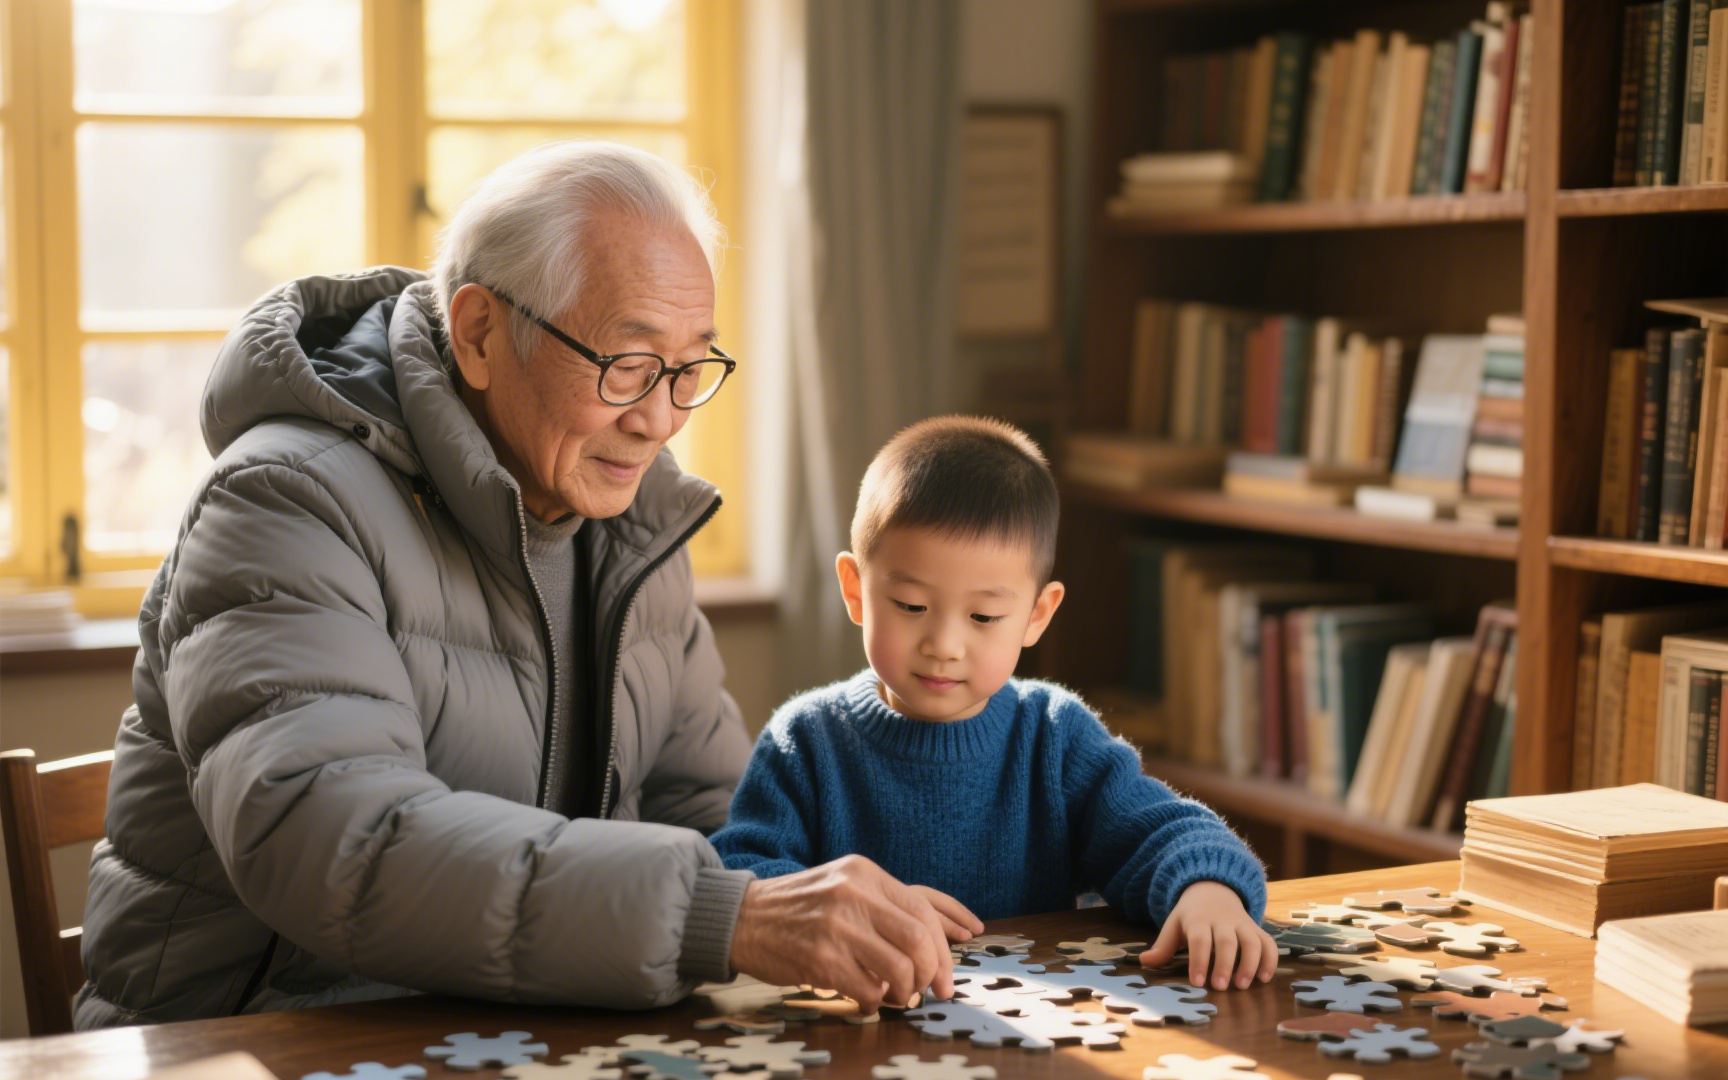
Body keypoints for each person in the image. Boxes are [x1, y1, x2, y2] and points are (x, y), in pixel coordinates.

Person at [75, 141, 960, 1029]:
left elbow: (710, 811)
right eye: (627, 363)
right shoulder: (284, 500)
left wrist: (831, 895)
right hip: (253, 1038)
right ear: (479, 334)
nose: (659, 420)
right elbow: (340, 846)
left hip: (515, 1028)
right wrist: (724, 915)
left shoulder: (633, 516)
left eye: (690, 369)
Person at [710, 415, 1278, 991]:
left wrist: (1207, 888)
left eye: (983, 617)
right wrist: (860, 911)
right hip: (857, 1024)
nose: (944, 645)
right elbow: (741, 875)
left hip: (1039, 1026)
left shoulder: (1054, 734)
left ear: (1036, 614)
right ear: (856, 590)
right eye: (911, 606)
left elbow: (1159, 830)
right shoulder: (806, 740)